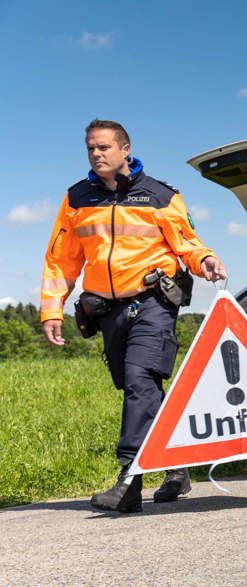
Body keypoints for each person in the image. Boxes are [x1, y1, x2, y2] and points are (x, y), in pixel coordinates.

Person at [40, 119, 227, 513]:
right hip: (108, 310)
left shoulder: (160, 195)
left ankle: (129, 480)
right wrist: (51, 309)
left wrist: (205, 260)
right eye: (91, 148)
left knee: (141, 381)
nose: (96, 154)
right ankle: (175, 466)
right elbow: (61, 260)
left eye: (104, 147)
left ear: (125, 149)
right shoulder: (76, 198)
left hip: (154, 302)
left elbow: (188, 243)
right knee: (135, 386)